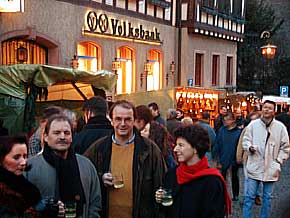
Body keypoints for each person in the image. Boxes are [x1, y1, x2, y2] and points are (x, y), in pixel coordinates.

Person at [84, 100, 167, 218]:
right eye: (118, 119)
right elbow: (84, 178)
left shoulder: (150, 150)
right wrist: (100, 177)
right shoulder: (98, 148)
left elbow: (162, 185)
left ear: (134, 121)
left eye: (127, 119)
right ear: (111, 121)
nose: (122, 124)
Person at [25, 114, 102, 218]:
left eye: (66, 133)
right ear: (46, 137)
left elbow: (95, 202)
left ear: (72, 137)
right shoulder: (30, 167)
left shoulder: (86, 165)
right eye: (57, 133)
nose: (62, 137)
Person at [155, 125, 231, 218]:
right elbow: (165, 211)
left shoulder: (212, 181)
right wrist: (160, 198)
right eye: (176, 145)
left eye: (181, 145)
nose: (175, 149)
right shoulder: (172, 174)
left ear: (195, 148)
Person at [242, 100, 290, 218]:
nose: (266, 110)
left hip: (271, 167)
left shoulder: (280, 128)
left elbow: (286, 147)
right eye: (265, 107)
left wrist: (278, 161)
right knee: (249, 197)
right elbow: (245, 140)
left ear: (274, 111)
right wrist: (249, 147)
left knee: (267, 198)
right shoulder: (253, 125)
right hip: (255, 164)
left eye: (269, 108)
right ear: (261, 109)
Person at [0, 135, 65, 218]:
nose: (23, 162)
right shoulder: (4, 191)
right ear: (1, 160)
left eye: (25, 156)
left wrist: (51, 207)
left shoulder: (23, 184)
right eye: (16, 157)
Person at [213, 112, 242, 201]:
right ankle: (222, 193)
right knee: (222, 177)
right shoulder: (222, 130)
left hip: (233, 158)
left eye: (227, 119)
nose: (225, 121)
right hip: (223, 157)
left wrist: (238, 158)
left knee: (234, 176)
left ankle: (235, 194)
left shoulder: (239, 132)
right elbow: (217, 144)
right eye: (224, 120)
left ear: (233, 120)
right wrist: (216, 158)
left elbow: (240, 147)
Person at [236, 111, 262, 206]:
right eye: (251, 120)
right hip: (247, 158)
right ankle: (248, 197)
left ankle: (257, 195)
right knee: (247, 179)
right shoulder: (247, 129)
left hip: (260, 158)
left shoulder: (264, 130)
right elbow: (241, 143)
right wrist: (239, 156)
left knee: (259, 178)